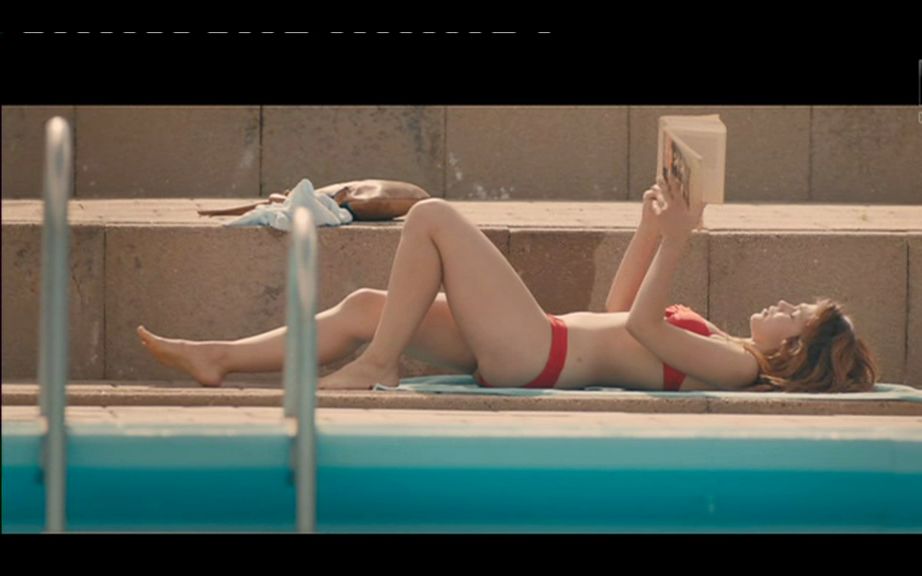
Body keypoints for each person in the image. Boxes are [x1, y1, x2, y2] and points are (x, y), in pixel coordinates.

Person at [137, 177, 879, 393]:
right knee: (369, 306)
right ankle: (219, 358)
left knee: (432, 216)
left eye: (797, 314)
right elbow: (621, 310)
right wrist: (651, 228)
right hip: (538, 342)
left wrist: (679, 241)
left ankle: (376, 365)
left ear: (794, 353)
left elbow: (643, 328)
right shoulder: (726, 343)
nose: (783, 305)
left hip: (537, 354)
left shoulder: (741, 368)